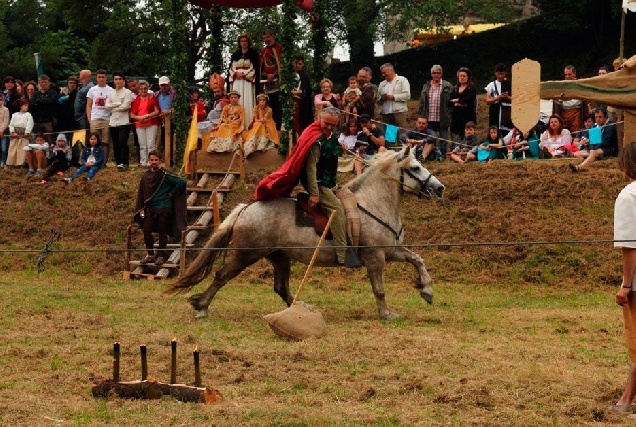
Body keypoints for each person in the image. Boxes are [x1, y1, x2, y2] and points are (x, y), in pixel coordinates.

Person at [254, 107, 359, 267]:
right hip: (318, 183)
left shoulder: (330, 136)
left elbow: (330, 151)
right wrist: (315, 194)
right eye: (327, 124)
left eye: (333, 125)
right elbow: (311, 168)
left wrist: (341, 149)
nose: (329, 127)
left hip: (330, 182)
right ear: (320, 119)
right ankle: (342, 254)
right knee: (336, 209)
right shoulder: (315, 139)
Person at [610, 141, 636, 416]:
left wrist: (626, 285)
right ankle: (625, 400)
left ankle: (626, 402)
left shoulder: (629, 195)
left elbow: (630, 245)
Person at [134, 150, 187, 266]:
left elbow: (182, 182)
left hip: (164, 208)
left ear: (160, 161)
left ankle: (161, 256)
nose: (154, 162)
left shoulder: (165, 175)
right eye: (152, 160)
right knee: (146, 230)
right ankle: (151, 255)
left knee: (162, 232)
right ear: (149, 161)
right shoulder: (146, 176)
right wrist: (142, 207)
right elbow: (142, 193)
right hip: (150, 209)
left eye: (156, 160)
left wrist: (171, 194)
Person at [417, 64, 453, 157]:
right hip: (429, 118)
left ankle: (443, 156)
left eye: (438, 73)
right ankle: (432, 155)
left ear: (441, 74)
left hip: (443, 117)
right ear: (431, 74)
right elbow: (421, 102)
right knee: (430, 139)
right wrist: (421, 114)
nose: (436, 75)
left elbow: (452, 102)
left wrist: (449, 113)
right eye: (434, 73)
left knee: (444, 139)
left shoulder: (447, 86)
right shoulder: (426, 86)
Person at [570, 108, 618, 172]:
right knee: (576, 153)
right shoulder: (595, 127)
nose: (598, 119)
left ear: (606, 117)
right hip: (597, 149)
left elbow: (606, 143)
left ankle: (579, 167)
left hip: (609, 149)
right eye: (596, 117)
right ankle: (592, 160)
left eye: (600, 117)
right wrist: (589, 145)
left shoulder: (610, 126)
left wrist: (593, 148)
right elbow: (592, 142)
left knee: (593, 152)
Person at [229, 33, 259, 128]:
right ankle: (236, 124)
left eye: (245, 41)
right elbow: (231, 67)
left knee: (247, 99)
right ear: (239, 42)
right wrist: (235, 73)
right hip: (237, 81)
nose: (244, 43)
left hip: (247, 81)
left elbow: (255, 68)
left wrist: (245, 75)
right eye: (242, 41)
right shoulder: (235, 54)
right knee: (238, 99)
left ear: (248, 42)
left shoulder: (253, 53)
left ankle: (248, 124)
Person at [105, 71, 133, 170]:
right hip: (113, 122)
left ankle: (125, 163)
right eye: (116, 79)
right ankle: (118, 163)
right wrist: (117, 104)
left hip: (124, 122)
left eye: (120, 79)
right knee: (116, 143)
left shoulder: (127, 92)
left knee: (122, 142)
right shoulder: (111, 93)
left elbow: (126, 106)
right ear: (113, 81)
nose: (118, 81)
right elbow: (106, 106)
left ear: (123, 80)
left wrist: (113, 106)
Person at [130, 80, 160, 168]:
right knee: (142, 144)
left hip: (151, 123)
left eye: (145, 88)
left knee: (151, 144)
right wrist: (139, 118)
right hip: (140, 123)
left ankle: (151, 162)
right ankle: (143, 162)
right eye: (141, 89)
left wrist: (148, 115)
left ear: (147, 89)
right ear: (139, 89)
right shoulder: (136, 100)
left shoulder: (152, 98)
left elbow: (157, 111)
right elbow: (132, 114)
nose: (143, 90)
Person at [86, 69, 114, 164]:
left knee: (105, 142)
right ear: (96, 78)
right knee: (94, 142)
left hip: (107, 119)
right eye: (99, 77)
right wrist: (90, 119)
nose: (101, 79)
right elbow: (89, 105)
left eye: (103, 77)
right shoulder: (92, 90)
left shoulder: (111, 90)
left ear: (106, 77)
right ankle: (94, 161)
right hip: (95, 119)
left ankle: (104, 163)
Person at [377, 63, 410, 135]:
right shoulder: (382, 84)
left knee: (402, 135)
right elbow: (378, 100)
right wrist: (382, 99)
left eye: (384, 72)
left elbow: (407, 96)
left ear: (391, 70)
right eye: (382, 73)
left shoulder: (402, 80)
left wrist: (393, 97)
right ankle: (391, 146)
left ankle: (402, 146)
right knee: (390, 137)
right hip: (386, 114)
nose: (383, 75)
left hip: (399, 113)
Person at [243, 93, 279, 157]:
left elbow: (264, 120)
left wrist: (261, 110)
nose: (262, 101)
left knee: (261, 125)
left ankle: (261, 145)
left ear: (266, 101)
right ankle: (251, 147)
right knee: (257, 124)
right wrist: (259, 110)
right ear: (258, 101)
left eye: (263, 100)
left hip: (268, 123)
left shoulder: (269, 109)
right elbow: (256, 119)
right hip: (259, 123)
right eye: (260, 100)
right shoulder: (256, 108)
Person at [259, 29, 282, 129]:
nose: (266, 40)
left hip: (279, 85)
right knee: (269, 110)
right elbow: (260, 68)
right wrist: (266, 75)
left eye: (268, 37)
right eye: (264, 38)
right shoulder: (263, 51)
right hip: (267, 86)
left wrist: (274, 74)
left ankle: (278, 132)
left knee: (278, 110)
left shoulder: (279, 48)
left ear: (272, 36)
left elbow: (283, 65)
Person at [553, 65, 585, 134]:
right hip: (563, 112)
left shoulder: (580, 84)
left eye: (569, 74)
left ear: (574, 74)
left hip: (576, 112)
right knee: (563, 133)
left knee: (576, 133)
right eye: (566, 75)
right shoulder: (561, 85)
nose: (567, 77)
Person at [449, 67, 477, 143]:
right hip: (456, 120)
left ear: (468, 77)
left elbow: (468, 99)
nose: (462, 77)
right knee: (456, 142)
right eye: (460, 76)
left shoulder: (471, 88)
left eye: (464, 76)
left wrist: (457, 100)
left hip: (468, 118)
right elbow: (449, 101)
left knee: (468, 141)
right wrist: (459, 103)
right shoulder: (454, 89)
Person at [29, 74, 58, 145]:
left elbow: (51, 101)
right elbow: (32, 103)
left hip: (48, 120)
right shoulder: (35, 94)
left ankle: (51, 155)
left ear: (49, 83)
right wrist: (44, 101)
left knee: (50, 139)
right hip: (37, 120)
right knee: (37, 140)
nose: (43, 84)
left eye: (45, 82)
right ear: (39, 83)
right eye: (42, 82)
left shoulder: (53, 93)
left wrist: (39, 101)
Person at [485, 63, 513, 135]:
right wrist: (497, 98)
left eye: (502, 74)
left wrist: (507, 97)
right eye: (498, 74)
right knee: (495, 132)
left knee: (507, 133)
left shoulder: (510, 84)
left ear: (505, 73)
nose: (500, 76)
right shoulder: (491, 85)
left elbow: (517, 99)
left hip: (507, 112)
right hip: (495, 112)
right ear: (495, 73)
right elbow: (487, 101)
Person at [6, 99, 33, 167]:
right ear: (20, 106)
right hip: (15, 134)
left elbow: (30, 124)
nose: (27, 107)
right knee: (14, 149)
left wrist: (27, 131)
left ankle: (22, 163)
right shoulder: (14, 115)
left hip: (23, 134)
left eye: (27, 106)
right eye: (25, 105)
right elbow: (11, 124)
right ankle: (13, 163)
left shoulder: (28, 115)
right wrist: (12, 132)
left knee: (22, 149)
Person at [291, 56, 313, 134]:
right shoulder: (290, 75)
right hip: (290, 101)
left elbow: (306, 91)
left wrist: (296, 92)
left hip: (301, 101)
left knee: (299, 120)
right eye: (297, 63)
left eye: (300, 64)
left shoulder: (305, 76)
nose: (298, 65)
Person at [0, 101, 8, 167]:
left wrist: (1, 131)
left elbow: (6, 121)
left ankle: (3, 162)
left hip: (4, 131)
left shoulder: (6, 109)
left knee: (4, 148)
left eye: (0, 100)